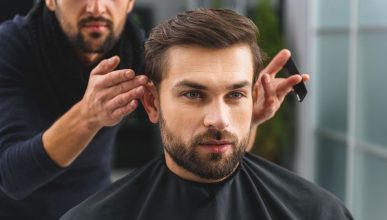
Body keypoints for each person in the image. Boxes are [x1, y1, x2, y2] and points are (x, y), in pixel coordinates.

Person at [0, 1, 305, 219]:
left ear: (131, 2)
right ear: (50, 1)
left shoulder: (136, 47)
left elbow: (211, 155)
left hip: (92, 201)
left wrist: (246, 119)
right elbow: (13, 177)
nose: (96, 7)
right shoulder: (12, 47)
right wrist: (88, 115)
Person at [61, 8, 352, 220]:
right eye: (194, 94)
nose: (220, 119)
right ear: (151, 102)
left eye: (235, 95)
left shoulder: (319, 213)